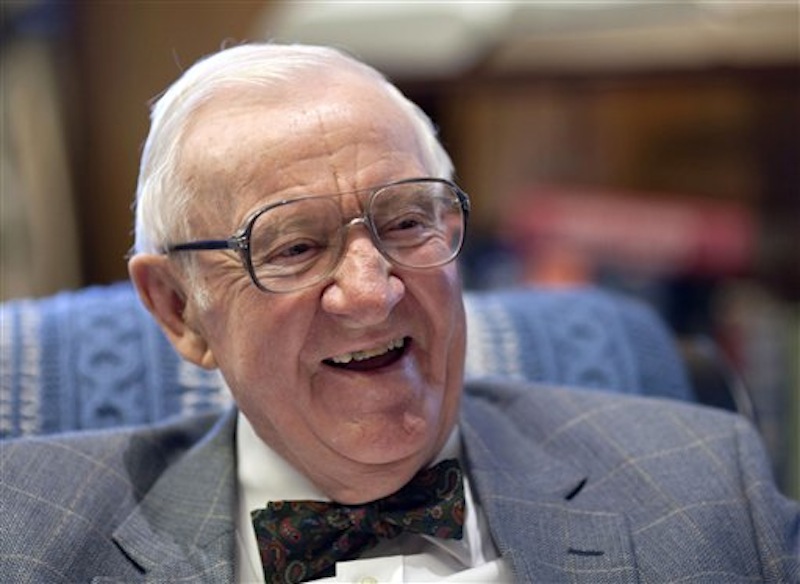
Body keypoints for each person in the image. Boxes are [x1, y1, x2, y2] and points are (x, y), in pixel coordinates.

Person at [1, 43, 797, 584]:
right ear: (180, 310)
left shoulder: (703, 480)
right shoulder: (28, 528)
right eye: (293, 248)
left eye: (408, 223)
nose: (372, 292)